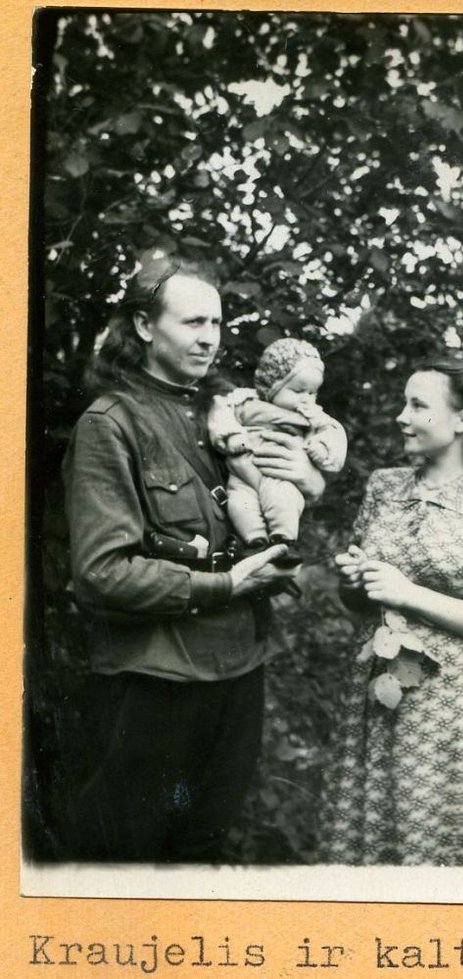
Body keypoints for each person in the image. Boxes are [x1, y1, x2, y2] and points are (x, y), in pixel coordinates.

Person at [61, 252, 324, 863]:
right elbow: (102, 574)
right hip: (155, 680)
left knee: (203, 848)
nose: (209, 338)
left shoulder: (224, 414)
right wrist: (224, 585)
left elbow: (276, 497)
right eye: (192, 323)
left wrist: (301, 498)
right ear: (146, 326)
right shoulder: (110, 424)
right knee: (125, 857)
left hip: (240, 668)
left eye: (217, 324)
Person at [318, 354, 463, 867]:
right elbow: (357, 601)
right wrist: (355, 581)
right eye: (404, 402)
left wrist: (406, 592)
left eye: (418, 405)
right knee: (357, 850)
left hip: (447, 713)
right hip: (372, 699)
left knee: (433, 859)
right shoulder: (384, 487)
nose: (402, 415)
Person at [208, 337, 347, 566]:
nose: (306, 398)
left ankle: (282, 542)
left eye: (313, 393)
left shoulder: (311, 416)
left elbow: (332, 432)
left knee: (284, 500)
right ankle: (254, 542)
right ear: (274, 386)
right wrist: (231, 437)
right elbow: (220, 417)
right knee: (240, 502)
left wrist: (320, 449)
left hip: (279, 473)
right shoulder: (243, 401)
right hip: (241, 474)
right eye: (298, 390)